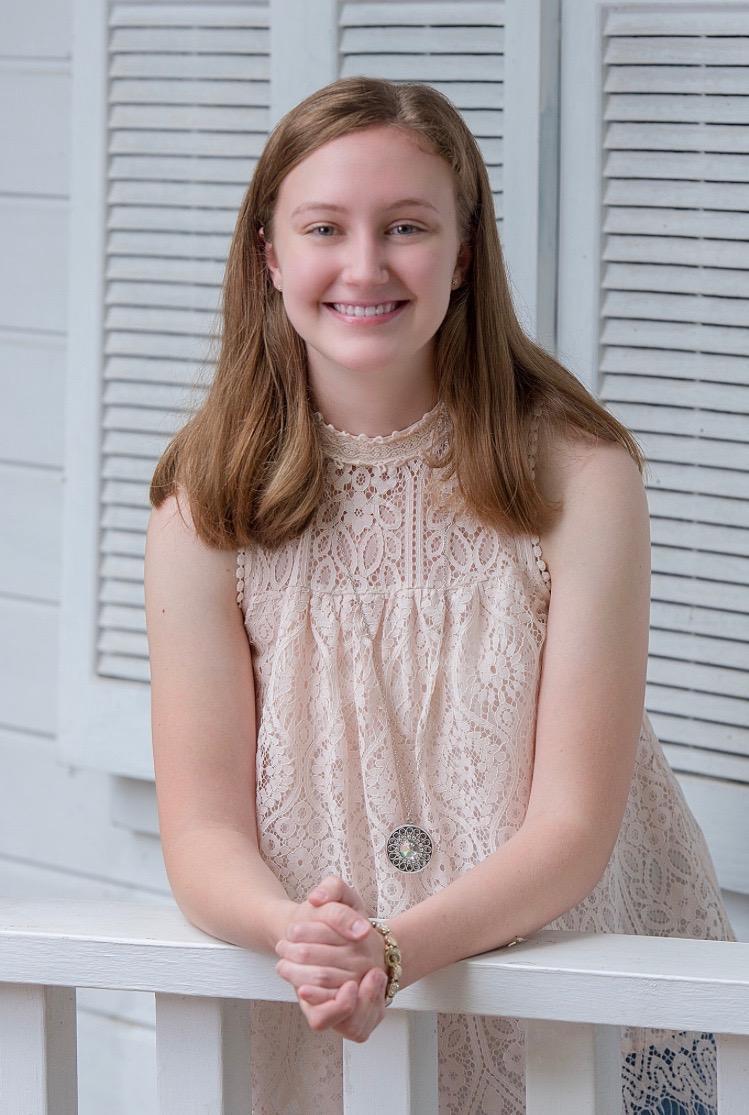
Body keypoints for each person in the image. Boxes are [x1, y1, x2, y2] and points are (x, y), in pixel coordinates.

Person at [144, 75, 735, 1114]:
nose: (364, 265)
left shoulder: (579, 475)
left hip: (572, 982)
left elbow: (572, 825)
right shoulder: (207, 504)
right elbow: (201, 832)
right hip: (332, 999)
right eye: (324, 228)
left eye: (406, 226)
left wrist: (392, 949)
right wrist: (306, 937)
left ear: (462, 254)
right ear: (269, 256)